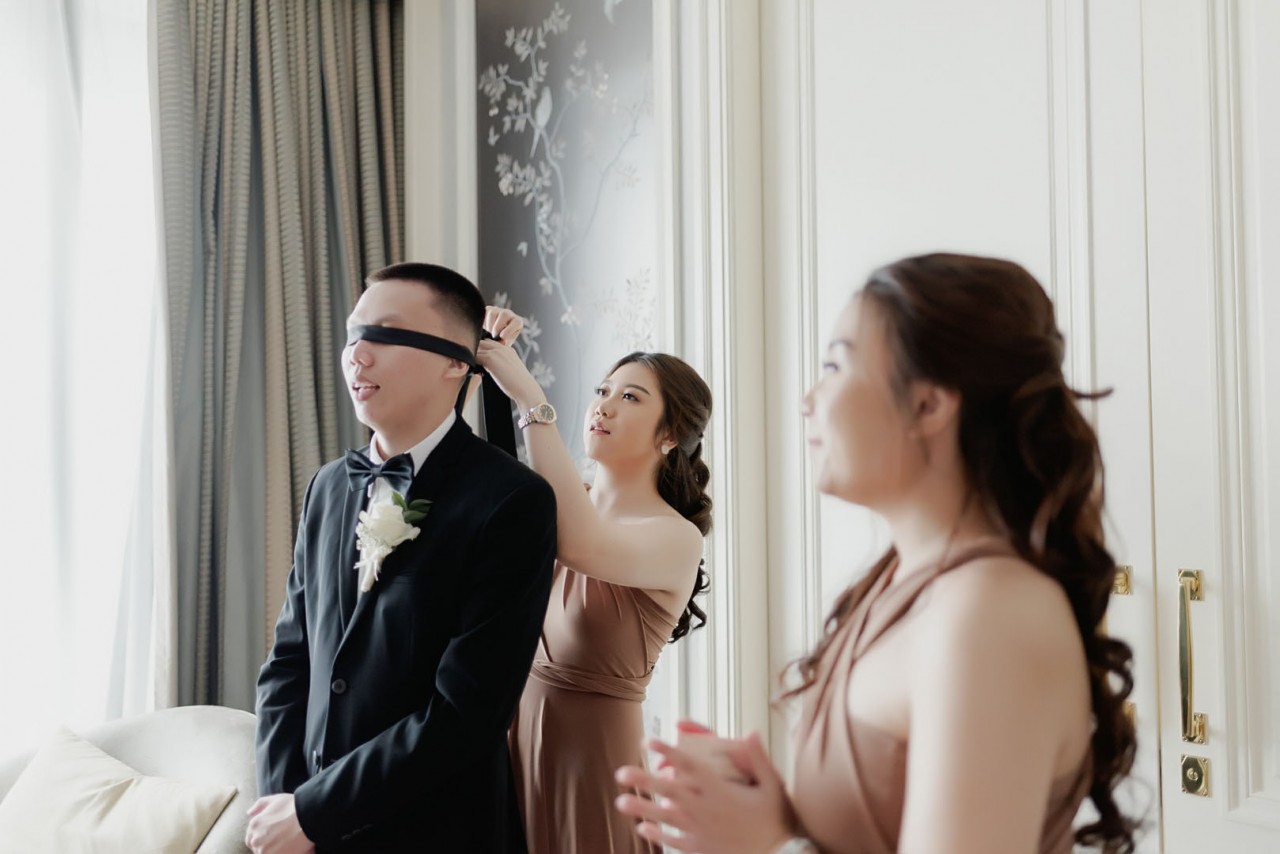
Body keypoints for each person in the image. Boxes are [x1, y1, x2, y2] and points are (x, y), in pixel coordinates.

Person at [615, 253, 1138, 854]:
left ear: (929, 404)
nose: (809, 399)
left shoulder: (991, 612)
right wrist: (777, 812)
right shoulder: (896, 581)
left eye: (835, 365)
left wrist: (769, 844)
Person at [248, 262, 558, 853]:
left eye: (384, 335)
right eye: (353, 335)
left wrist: (315, 812)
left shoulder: (512, 501)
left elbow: (467, 713)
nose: (356, 356)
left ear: (456, 363)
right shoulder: (327, 486)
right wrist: (284, 805)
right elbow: (289, 664)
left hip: (436, 834)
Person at [477, 340, 713, 854]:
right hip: (509, 753)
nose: (603, 406)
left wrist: (531, 399)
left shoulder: (676, 538)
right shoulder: (556, 506)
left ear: (670, 435)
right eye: (602, 391)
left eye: (629, 397)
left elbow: (579, 544)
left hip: (593, 773)